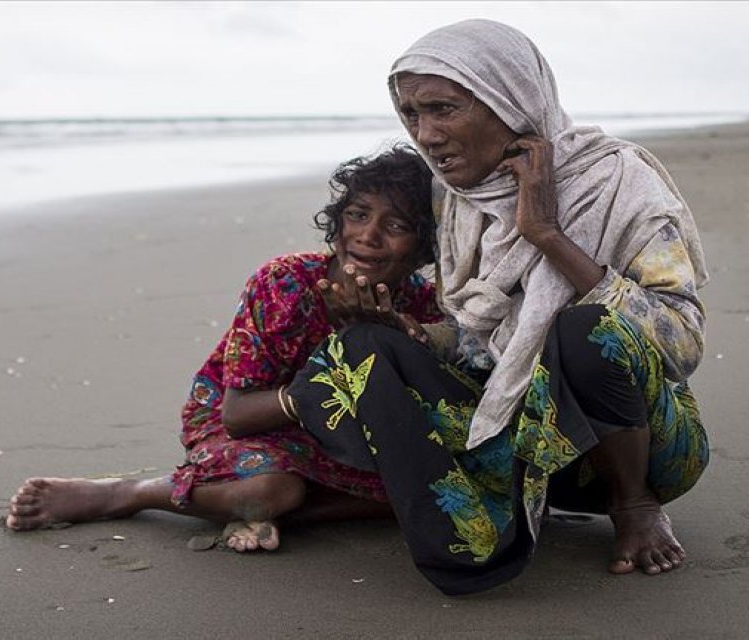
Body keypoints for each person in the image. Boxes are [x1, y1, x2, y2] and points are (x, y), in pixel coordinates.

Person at [290, 19, 709, 595]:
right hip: (519, 443)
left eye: (443, 109)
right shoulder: (455, 200)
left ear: (508, 100)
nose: (426, 134)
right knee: (357, 352)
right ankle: (469, 533)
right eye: (411, 114)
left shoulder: (617, 181)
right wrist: (406, 331)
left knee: (585, 330)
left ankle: (633, 505)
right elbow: (477, 342)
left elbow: (681, 340)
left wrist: (547, 233)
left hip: (641, 448)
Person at [6, 146, 443, 551]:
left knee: (436, 490)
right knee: (271, 490)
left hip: (343, 440)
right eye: (357, 214)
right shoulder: (285, 284)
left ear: (423, 242)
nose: (368, 235)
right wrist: (329, 372)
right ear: (337, 220)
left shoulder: (421, 304)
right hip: (247, 422)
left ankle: (277, 515)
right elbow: (238, 417)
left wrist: (384, 335)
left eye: (397, 226)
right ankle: (128, 493)